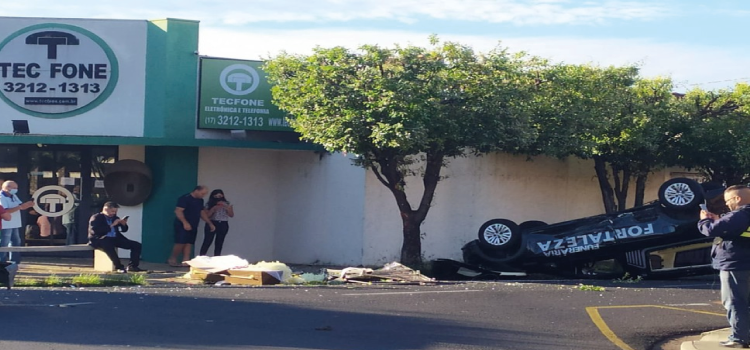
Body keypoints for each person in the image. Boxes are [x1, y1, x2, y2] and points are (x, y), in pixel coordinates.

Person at [698, 185, 750, 348]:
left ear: (737, 199)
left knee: (735, 301)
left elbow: (712, 230)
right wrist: (719, 218)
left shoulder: (741, 214)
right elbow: (733, 228)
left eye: (728, 200)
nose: (727, 204)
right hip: (745, 263)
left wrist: (704, 220)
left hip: (736, 264)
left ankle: (739, 338)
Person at [88, 201, 144, 273]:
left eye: (115, 211)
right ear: (105, 209)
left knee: (136, 245)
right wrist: (112, 225)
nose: (114, 213)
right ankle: (119, 267)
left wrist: (123, 224)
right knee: (109, 246)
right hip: (101, 238)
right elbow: (95, 231)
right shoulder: (96, 217)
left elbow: (124, 230)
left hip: (115, 238)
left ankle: (133, 266)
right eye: (112, 211)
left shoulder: (115, 217)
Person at [168, 186, 214, 267]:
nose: (203, 195)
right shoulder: (185, 198)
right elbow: (178, 211)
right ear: (196, 190)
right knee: (180, 242)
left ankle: (186, 260)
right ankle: (173, 258)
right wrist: (184, 222)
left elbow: (202, 212)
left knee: (189, 242)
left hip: (194, 224)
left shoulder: (200, 200)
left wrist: (209, 223)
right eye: (202, 193)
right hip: (182, 224)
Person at [0, 181, 34, 263]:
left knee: (16, 241)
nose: (16, 190)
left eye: (16, 188)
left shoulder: (13, 195)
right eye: (14, 188)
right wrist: (20, 207)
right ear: (7, 188)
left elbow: (19, 205)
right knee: (4, 242)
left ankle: (15, 260)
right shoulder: (1, 197)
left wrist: (27, 205)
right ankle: (2, 261)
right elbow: (4, 211)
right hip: (5, 224)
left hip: (14, 223)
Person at [199, 189, 234, 256]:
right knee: (207, 241)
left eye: (220, 196)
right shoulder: (208, 204)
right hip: (212, 222)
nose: (218, 198)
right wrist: (213, 209)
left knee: (219, 242)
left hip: (223, 223)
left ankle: (217, 257)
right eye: (216, 196)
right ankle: (201, 257)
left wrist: (227, 208)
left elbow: (231, 215)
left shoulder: (227, 203)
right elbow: (206, 216)